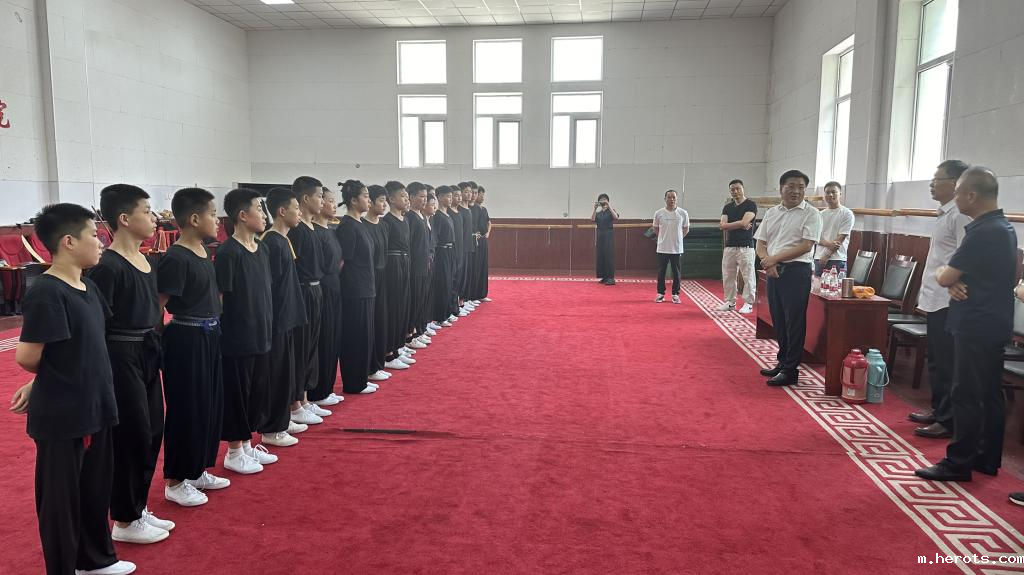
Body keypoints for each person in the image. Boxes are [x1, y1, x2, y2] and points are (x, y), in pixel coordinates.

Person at [13, 203, 136, 575]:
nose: (101, 242)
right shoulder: (47, 292)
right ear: (68, 241)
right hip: (64, 414)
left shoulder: (88, 286)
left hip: (96, 403)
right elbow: (27, 355)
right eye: (93, 235)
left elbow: (82, 345)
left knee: (94, 489)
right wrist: (44, 379)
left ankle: (94, 559)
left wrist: (41, 379)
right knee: (61, 501)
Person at [915, 167, 1018, 482]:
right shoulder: (1003, 226)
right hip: (994, 320)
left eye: (958, 192)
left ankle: (958, 462)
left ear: (971, 195)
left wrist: (946, 276)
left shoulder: (983, 230)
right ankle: (986, 458)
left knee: (967, 393)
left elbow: (945, 274)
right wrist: (952, 279)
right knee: (989, 392)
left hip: (975, 322)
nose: (956, 198)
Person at [89, 185, 173, 545]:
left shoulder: (147, 261)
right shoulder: (107, 267)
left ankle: (137, 506)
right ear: (124, 218)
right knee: (132, 434)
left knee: (153, 428)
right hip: (120, 354)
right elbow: (95, 323)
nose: (154, 218)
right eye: (147, 211)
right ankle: (124, 518)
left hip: (147, 350)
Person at [159, 188, 231, 508]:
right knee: (186, 409)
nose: (217, 221)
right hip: (186, 340)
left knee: (209, 405)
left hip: (209, 335)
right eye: (213, 214)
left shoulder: (202, 251)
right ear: (193, 219)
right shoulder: (176, 258)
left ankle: (197, 468)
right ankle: (176, 481)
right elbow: (157, 306)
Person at [215, 188, 277, 476]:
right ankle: (234, 451)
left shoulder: (262, 248)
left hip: (262, 332)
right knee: (237, 395)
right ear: (242, 215)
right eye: (259, 209)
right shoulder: (228, 252)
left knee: (256, 391)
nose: (264, 216)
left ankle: (248, 444)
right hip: (237, 337)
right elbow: (221, 299)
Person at [908, 160, 971, 440]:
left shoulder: (960, 215)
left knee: (947, 363)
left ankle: (948, 420)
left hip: (949, 299)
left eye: (938, 179)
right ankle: (939, 409)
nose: (932, 184)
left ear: (956, 183)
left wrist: (955, 282)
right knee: (937, 360)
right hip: (936, 296)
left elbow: (966, 255)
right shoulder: (945, 213)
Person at [754, 170, 823, 387]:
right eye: (791, 186)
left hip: (796, 271)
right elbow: (760, 242)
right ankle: (782, 362)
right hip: (773, 270)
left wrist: (772, 260)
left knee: (794, 321)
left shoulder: (811, 213)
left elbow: (806, 245)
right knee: (778, 319)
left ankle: (791, 369)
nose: (796, 191)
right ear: (781, 188)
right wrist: (768, 261)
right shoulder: (772, 212)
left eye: (801, 187)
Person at [259, 187, 311, 448]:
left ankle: (284, 417)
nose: (299, 213)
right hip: (277, 320)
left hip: (288, 317)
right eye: (296, 208)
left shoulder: (283, 239)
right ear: (281, 211)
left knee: (287, 371)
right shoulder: (270, 241)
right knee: (276, 374)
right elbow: (269, 287)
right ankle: (272, 428)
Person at [288, 176, 329, 426]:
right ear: (305, 199)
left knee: (312, 346)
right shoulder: (297, 230)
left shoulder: (312, 227)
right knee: (301, 348)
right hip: (302, 292)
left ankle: (304, 399)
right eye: (319, 197)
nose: (322, 201)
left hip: (316, 289)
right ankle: (294, 403)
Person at [336, 180, 379, 395]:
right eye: (365, 196)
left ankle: (361, 378)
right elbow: (342, 262)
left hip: (365, 287)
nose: (369, 200)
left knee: (364, 336)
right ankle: (353, 382)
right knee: (354, 336)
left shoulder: (360, 223)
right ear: (353, 200)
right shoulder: (347, 226)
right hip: (354, 291)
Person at [310, 187, 345, 407]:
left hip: (334, 285)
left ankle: (328, 387)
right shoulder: (314, 232)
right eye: (329, 201)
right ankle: (318, 391)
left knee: (333, 338)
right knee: (323, 339)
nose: (333, 205)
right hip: (322, 287)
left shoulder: (331, 230)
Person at [382, 182, 418, 366]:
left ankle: (398, 346)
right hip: (393, 266)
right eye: (402, 196)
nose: (406, 199)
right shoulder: (387, 221)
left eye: (406, 196)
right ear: (391, 199)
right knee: (394, 307)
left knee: (404, 306)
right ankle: (388, 353)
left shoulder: (405, 219)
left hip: (405, 263)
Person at [717, 179, 757, 313]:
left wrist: (736, 224)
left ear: (743, 189)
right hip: (730, 246)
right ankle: (730, 302)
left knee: (748, 275)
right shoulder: (728, 207)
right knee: (728, 275)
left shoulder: (750, 204)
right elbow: (722, 225)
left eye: (738, 189)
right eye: (732, 189)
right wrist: (740, 224)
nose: (735, 191)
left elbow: (745, 222)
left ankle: (749, 303)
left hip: (746, 246)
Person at [406, 182, 433, 346]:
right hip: (414, 267)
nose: (424, 200)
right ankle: (410, 335)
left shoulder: (422, 216)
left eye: (426, 197)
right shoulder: (410, 217)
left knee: (421, 299)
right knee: (414, 300)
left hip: (423, 265)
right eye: (421, 196)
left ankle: (417, 330)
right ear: (411, 197)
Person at [652, 189, 690, 303]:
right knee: (661, 272)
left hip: (677, 248)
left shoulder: (683, 213)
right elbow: (655, 229)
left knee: (676, 272)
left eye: (674, 197)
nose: (671, 199)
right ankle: (660, 294)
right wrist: (663, 238)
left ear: (676, 199)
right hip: (662, 248)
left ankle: (675, 294)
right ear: (665, 199)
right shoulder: (658, 213)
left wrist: (678, 238)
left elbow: (686, 229)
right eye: (669, 197)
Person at [813, 182, 855, 276]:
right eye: (827, 192)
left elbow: (841, 237)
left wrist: (826, 255)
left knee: (836, 285)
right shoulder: (820, 214)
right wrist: (828, 245)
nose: (830, 195)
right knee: (817, 285)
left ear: (840, 194)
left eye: (833, 192)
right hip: (818, 258)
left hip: (837, 258)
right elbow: (816, 236)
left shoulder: (847, 213)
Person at [432, 186, 458, 328]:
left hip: (450, 251)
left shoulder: (448, 215)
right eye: (448, 196)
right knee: (442, 284)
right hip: (441, 252)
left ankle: (447, 312)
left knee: (449, 282)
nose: (451, 199)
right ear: (440, 197)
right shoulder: (437, 216)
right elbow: (435, 238)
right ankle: (439, 316)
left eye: (451, 196)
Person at [458, 183, 477, 314]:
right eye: (466, 191)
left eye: (470, 191)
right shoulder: (459, 210)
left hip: (469, 246)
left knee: (467, 275)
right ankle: (459, 302)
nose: (469, 194)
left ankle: (464, 299)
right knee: (460, 276)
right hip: (461, 247)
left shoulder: (469, 209)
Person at [592, 193, 619, 285]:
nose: (603, 201)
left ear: (607, 200)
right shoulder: (599, 213)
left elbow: (616, 217)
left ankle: (611, 278)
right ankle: (604, 277)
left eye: (604, 199)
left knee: (608, 255)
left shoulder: (611, 211)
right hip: (600, 234)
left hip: (608, 234)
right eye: (601, 199)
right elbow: (592, 219)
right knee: (601, 255)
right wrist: (594, 209)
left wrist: (609, 206)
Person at [474, 186, 493, 301]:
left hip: (483, 240)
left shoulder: (484, 209)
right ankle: (474, 295)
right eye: (480, 195)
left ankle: (482, 294)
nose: (482, 197)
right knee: (476, 267)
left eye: (483, 195)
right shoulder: (472, 208)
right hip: (475, 241)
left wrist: (488, 233)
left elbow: (489, 223)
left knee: (483, 267)